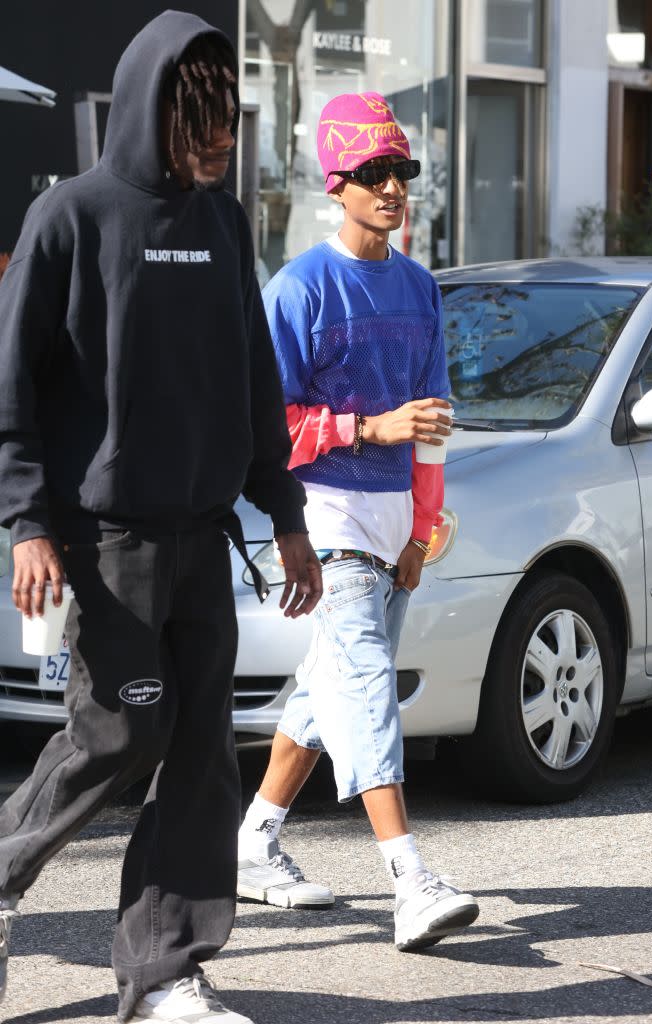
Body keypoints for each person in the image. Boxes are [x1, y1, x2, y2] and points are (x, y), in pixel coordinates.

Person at [0, 12, 322, 1024]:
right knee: (124, 727)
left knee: (197, 758)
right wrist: (25, 522)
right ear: (153, 109)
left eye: (228, 124)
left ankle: (164, 974)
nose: (218, 143)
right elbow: (10, 389)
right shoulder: (72, 220)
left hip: (202, 539)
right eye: (201, 124)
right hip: (104, 541)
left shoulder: (224, 225)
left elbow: (256, 384)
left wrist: (285, 513)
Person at [237, 92, 479, 952]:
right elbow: (263, 427)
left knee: (327, 687)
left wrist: (422, 530)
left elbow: (436, 417)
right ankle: (409, 876)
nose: (391, 188)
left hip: (393, 523)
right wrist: (366, 427)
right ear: (336, 184)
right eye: (373, 174)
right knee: (368, 681)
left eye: (401, 172)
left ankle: (254, 842)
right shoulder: (298, 287)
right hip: (326, 512)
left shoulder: (418, 286)